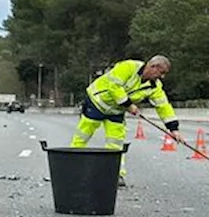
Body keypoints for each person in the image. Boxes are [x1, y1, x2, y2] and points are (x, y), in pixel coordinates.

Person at [71, 55, 182, 186]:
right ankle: (72, 167)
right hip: (97, 103)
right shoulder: (128, 67)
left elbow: (163, 106)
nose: (162, 77)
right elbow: (114, 86)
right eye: (161, 72)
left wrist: (173, 129)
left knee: (116, 143)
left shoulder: (154, 87)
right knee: (83, 136)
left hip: (116, 111)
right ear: (153, 67)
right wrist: (128, 104)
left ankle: (116, 174)